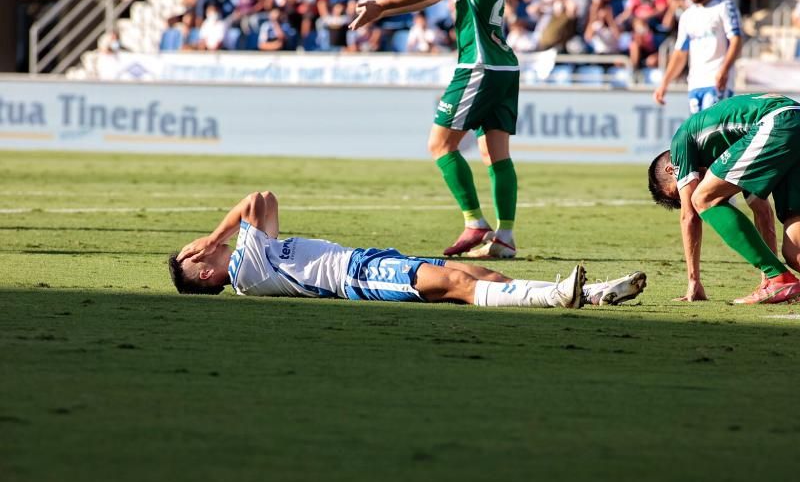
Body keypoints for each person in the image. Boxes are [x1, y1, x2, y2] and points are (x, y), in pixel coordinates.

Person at [169, 191, 647, 308]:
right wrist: (213, 239)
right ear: (206, 273)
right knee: (460, 285)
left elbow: (266, 200)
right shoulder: (246, 275)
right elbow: (253, 200)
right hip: (356, 277)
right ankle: (555, 297)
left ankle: (591, 292)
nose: (199, 246)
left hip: (366, 259)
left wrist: (213, 240)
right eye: (193, 254)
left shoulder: (256, 254)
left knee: (483, 276)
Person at [349, 0, 522, 259]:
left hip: (478, 65)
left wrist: (381, 6)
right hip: (504, 66)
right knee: (494, 152)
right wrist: (383, 11)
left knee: (440, 144)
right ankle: (505, 238)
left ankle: (474, 222)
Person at [647, 93, 800, 304]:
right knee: (794, 253)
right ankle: (776, 280)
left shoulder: (681, 140)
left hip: (776, 121)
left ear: (671, 169)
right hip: (791, 119)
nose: (686, 191)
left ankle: (778, 278)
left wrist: (693, 280)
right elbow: (762, 212)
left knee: (702, 198)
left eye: (678, 190)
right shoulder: (738, 150)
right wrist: (768, 278)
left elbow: (689, 216)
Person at [652, 0, 742, 114]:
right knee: (698, 132)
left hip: (717, 81)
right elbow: (680, 53)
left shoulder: (724, 6)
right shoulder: (687, 16)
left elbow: (736, 40)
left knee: (711, 129)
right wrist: (664, 84)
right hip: (695, 83)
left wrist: (724, 69)